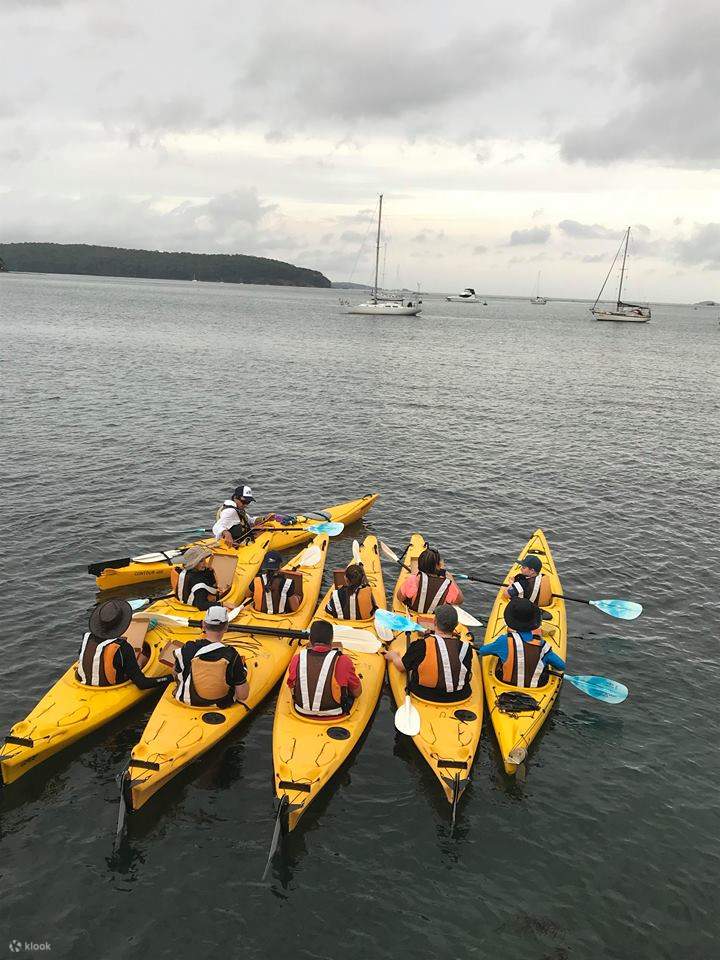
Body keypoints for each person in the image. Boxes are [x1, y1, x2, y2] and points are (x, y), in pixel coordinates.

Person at [384, 603, 473, 703]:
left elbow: (401, 667)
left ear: (434, 622)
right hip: (460, 696)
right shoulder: (467, 648)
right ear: (456, 625)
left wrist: (394, 656)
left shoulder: (420, 645)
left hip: (423, 694)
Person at [76, 600, 172, 691]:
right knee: (142, 656)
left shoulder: (87, 638)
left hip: (84, 683)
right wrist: (170, 677)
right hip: (113, 684)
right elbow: (142, 684)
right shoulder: (124, 647)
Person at [476, 599, 566, 688]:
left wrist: (496, 651)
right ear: (535, 621)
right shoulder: (543, 646)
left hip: (505, 685)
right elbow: (561, 666)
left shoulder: (503, 641)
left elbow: (482, 651)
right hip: (534, 689)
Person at [172, 606, 249, 707]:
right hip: (221, 704)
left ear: (203, 625)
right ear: (226, 627)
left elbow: (175, 673)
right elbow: (242, 695)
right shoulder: (232, 655)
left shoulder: (187, 648)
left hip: (188, 701)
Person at [287, 620, 362, 717]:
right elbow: (357, 693)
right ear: (331, 640)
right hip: (335, 712)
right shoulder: (344, 661)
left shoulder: (297, 658)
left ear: (310, 639)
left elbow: (291, 686)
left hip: (301, 710)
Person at [398, 546, 464, 613]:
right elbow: (459, 600)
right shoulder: (448, 585)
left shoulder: (413, 579)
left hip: (413, 613)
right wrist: (451, 579)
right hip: (435, 617)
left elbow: (400, 597)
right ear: (439, 566)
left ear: (419, 564)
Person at [172, 545, 220, 611]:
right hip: (195, 606)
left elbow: (211, 582)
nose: (205, 563)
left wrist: (209, 571)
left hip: (182, 601)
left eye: (204, 560)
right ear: (194, 564)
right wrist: (222, 604)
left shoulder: (186, 572)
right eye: (201, 561)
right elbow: (201, 605)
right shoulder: (198, 580)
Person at [212, 483, 260, 547]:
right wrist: (226, 533)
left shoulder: (238, 509)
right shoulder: (230, 511)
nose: (245, 505)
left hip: (243, 539)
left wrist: (264, 518)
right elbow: (216, 527)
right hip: (234, 545)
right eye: (244, 502)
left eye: (248, 502)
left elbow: (249, 520)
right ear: (235, 498)